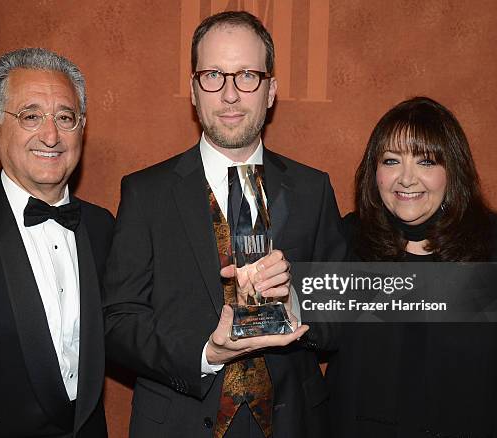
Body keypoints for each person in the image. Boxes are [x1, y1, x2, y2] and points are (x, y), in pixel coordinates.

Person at [103, 11, 346, 438]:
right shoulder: (146, 193)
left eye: (247, 75)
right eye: (213, 75)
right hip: (179, 422)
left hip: (294, 423)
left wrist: (295, 302)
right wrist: (205, 352)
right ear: (194, 92)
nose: (230, 94)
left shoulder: (313, 189)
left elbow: (341, 316)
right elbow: (119, 321)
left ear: (271, 90)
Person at [324, 96, 497, 437]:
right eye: (392, 160)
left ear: (452, 171)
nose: (406, 179)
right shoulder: (346, 242)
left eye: (426, 162)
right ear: (374, 172)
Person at [0, 48, 113, 437]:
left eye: (65, 118)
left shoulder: (103, 229)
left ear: (82, 128)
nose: (51, 135)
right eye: (31, 116)